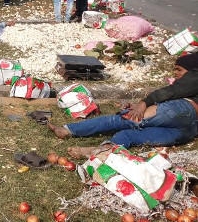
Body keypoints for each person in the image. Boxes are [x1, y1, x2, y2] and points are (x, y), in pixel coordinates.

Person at [48, 52, 198, 159]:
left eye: (179, 69)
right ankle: (101, 150)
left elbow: (171, 92)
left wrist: (144, 103)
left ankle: (68, 130)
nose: (175, 73)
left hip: (183, 110)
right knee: (129, 136)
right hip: (187, 131)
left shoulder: (195, 75)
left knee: (122, 120)